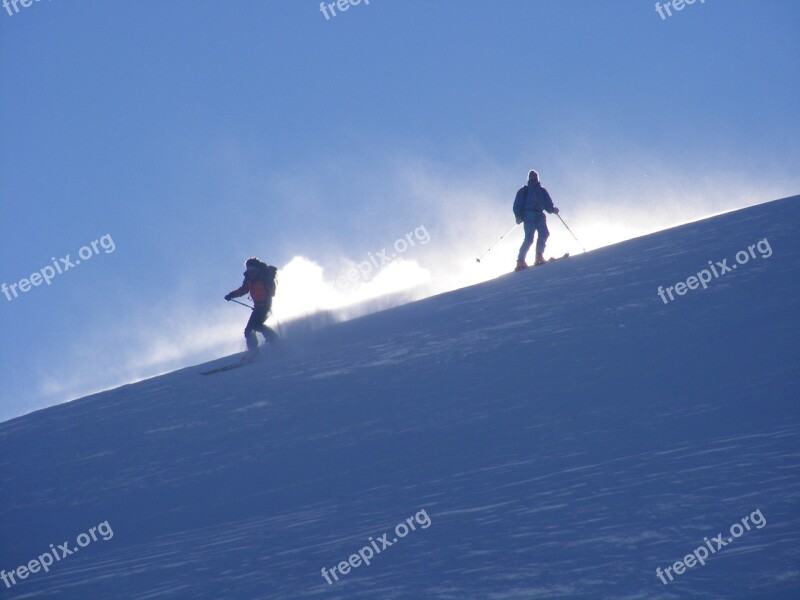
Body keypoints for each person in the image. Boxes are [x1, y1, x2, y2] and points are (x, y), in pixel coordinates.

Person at [225, 258, 279, 358]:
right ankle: (259, 347)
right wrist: (231, 295)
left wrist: (268, 281)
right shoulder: (249, 278)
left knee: (255, 326)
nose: (251, 272)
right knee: (251, 328)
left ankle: (265, 345)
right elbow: (244, 290)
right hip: (257, 306)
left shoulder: (265, 276)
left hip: (265, 305)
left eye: (253, 269)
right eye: (249, 269)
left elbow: (272, 292)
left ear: (257, 268)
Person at [512, 169, 559, 271]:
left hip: (539, 215)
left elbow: (548, 204)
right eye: (531, 179)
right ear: (529, 179)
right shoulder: (524, 191)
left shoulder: (542, 191)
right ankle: (520, 261)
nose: (533, 180)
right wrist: (518, 216)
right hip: (528, 216)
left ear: (537, 179)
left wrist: (552, 209)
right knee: (529, 238)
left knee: (544, 233)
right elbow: (517, 205)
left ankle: (539, 256)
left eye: (534, 178)